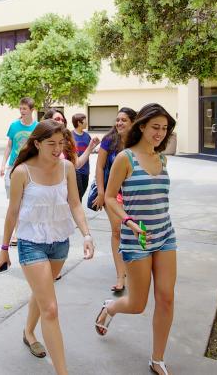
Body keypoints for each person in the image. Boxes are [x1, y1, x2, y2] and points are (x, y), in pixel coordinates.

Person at [0, 120, 95, 375]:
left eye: (61, 143)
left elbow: (74, 203)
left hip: (60, 242)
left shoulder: (68, 168)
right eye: (51, 143)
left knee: (42, 294)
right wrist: (4, 247)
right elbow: (12, 213)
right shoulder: (22, 172)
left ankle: (28, 332)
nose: (57, 148)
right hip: (31, 243)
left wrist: (86, 234)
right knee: (50, 308)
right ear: (37, 143)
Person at [94, 103, 177, 375]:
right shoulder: (125, 158)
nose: (160, 134)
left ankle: (157, 358)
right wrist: (128, 220)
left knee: (165, 298)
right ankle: (111, 307)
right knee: (138, 304)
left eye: (164, 129)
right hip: (136, 238)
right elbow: (109, 196)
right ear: (141, 126)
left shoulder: (162, 159)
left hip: (164, 235)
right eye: (155, 127)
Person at [92, 107, 136, 293]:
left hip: (134, 194)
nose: (119, 123)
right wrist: (101, 193)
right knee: (117, 230)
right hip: (113, 193)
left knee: (134, 231)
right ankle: (121, 276)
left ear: (133, 122)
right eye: (117, 120)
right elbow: (100, 166)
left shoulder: (139, 142)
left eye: (124, 120)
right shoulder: (109, 140)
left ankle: (135, 268)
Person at [0, 97, 38, 245]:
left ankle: (24, 231)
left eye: (24, 109)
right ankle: (16, 233)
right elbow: (9, 146)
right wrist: (3, 165)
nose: (22, 111)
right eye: (20, 108)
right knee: (14, 202)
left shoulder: (37, 127)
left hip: (30, 167)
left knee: (27, 202)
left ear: (31, 110)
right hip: (13, 167)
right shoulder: (14, 126)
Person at [44, 109, 98, 174]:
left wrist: (90, 147)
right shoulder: (41, 140)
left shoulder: (68, 140)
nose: (61, 122)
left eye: (63, 120)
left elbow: (77, 164)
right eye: (57, 119)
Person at [71, 113, 99, 201]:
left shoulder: (87, 136)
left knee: (82, 192)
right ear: (79, 122)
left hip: (86, 170)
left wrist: (95, 145)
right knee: (78, 194)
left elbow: (89, 150)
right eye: (85, 120)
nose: (87, 122)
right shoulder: (71, 136)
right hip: (76, 170)